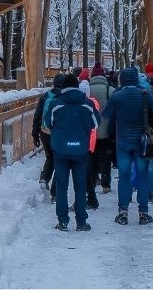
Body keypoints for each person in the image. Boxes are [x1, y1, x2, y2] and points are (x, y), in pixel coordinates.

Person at [101, 67, 153, 225]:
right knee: (143, 176)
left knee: (124, 176)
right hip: (142, 142)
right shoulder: (145, 95)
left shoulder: (117, 96)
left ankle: (123, 212)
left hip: (123, 142)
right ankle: (143, 213)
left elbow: (106, 115)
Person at [44, 74, 100, 231]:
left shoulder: (56, 103)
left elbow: (48, 123)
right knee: (80, 186)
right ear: (77, 86)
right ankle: (81, 221)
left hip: (61, 149)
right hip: (80, 149)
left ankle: (62, 221)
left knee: (61, 186)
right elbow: (96, 123)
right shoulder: (88, 104)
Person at [32, 73, 67, 202]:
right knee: (60, 160)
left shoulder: (46, 96)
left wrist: (35, 133)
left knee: (50, 156)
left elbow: (37, 115)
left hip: (45, 131)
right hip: (60, 133)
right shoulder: (65, 97)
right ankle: (55, 194)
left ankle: (44, 178)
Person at [88, 66, 115, 196]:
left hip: (91, 131)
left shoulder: (87, 91)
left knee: (92, 158)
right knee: (106, 158)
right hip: (106, 131)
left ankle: (93, 180)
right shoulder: (109, 90)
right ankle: (106, 184)